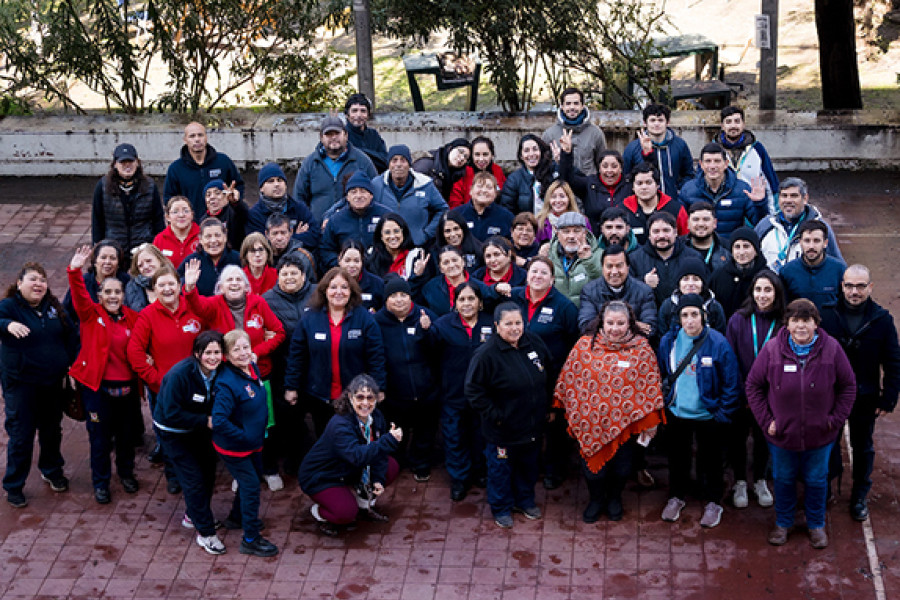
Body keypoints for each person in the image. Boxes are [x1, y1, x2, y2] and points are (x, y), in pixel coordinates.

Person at [746, 299, 856, 549]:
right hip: (782, 435)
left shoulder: (832, 349)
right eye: (795, 320)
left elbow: (848, 387)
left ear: (816, 323)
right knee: (783, 479)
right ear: (788, 323)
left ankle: (816, 524)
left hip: (820, 436)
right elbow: (753, 385)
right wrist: (767, 421)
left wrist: (835, 420)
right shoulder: (773, 349)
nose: (801, 326)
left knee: (817, 481)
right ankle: (783, 522)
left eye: (806, 320)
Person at [554, 301, 665, 522]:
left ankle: (614, 498)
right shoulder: (585, 345)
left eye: (621, 323)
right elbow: (569, 379)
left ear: (629, 323)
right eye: (610, 323)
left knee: (622, 469)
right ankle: (595, 500)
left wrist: (650, 420)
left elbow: (651, 385)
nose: (615, 328)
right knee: (594, 471)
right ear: (601, 322)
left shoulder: (642, 348)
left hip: (626, 424)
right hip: (590, 423)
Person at [821, 265, 900, 522]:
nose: (854, 291)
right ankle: (826, 489)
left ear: (870, 287)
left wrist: (888, 396)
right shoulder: (827, 315)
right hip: (830, 395)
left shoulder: (882, 320)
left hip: (865, 396)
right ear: (842, 286)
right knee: (828, 444)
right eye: (849, 286)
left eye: (860, 286)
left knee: (862, 446)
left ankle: (859, 494)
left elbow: (893, 360)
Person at [465, 302, 553, 528]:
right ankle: (501, 507)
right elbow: (473, 390)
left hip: (532, 425)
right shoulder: (486, 355)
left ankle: (525, 501)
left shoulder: (534, 342)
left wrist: (549, 407)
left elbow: (550, 372)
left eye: (518, 323)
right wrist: (497, 415)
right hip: (502, 430)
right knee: (500, 470)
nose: (514, 328)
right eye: (508, 324)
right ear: (496, 325)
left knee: (528, 466)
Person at [658, 294, 741, 529]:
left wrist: (722, 414)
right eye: (685, 315)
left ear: (703, 316)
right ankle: (677, 496)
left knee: (711, 462)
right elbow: (662, 372)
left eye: (694, 314)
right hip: (678, 413)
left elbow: (731, 382)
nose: (690, 320)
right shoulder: (669, 341)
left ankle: (714, 501)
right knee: (677, 460)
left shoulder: (718, 343)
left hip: (708, 415)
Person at [67, 246, 141, 504]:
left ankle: (126, 473)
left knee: (125, 437)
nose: (112, 296)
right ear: (99, 296)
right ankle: (101, 483)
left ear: (123, 295)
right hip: (98, 390)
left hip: (127, 389)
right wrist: (74, 270)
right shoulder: (90, 315)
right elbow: (78, 296)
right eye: (107, 292)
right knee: (99, 439)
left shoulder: (133, 319)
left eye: (117, 292)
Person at [0, 262, 78, 508]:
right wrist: (7, 325)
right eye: (33, 279)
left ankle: (52, 470)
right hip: (22, 385)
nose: (38, 284)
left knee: (51, 430)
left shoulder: (54, 308)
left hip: (52, 383)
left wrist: (72, 367)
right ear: (20, 283)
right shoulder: (9, 307)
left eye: (42, 280)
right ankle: (14, 485)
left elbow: (71, 338)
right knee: (21, 436)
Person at [283, 267, 386, 436]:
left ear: (351, 291)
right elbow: (297, 356)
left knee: (355, 441)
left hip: (356, 397)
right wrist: (291, 386)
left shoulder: (364, 318)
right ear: (325, 290)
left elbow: (376, 356)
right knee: (326, 439)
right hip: (319, 396)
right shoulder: (310, 318)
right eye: (333, 287)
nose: (339, 292)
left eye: (344, 287)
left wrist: (379, 387)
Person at [126, 266, 203, 494]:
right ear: (154, 290)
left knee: (197, 432)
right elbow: (135, 352)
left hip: (197, 387)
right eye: (161, 285)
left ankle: (198, 471)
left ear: (179, 285)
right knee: (170, 435)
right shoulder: (148, 315)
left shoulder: (195, 307)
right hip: (164, 390)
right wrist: (156, 380)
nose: (167, 289)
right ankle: (173, 475)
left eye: (171, 284)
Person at [298, 374, 402, 536]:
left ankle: (364, 506)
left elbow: (378, 453)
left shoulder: (376, 417)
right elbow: (356, 456)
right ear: (350, 397)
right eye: (360, 397)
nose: (365, 403)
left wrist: (378, 479)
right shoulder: (340, 424)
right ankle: (319, 513)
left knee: (390, 466)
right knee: (345, 513)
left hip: (348, 469)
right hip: (322, 475)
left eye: (370, 397)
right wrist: (388, 441)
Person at [510, 256, 580, 489]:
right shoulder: (514, 298)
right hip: (517, 375)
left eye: (543, 273)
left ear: (552, 278)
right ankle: (525, 467)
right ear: (526, 274)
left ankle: (554, 469)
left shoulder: (564, 306)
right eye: (533, 271)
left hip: (552, 377)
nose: (537, 276)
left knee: (553, 427)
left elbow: (574, 343)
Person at [154, 331, 226, 555]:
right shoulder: (180, 375)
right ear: (197, 354)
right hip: (174, 432)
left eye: (217, 352)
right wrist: (206, 420)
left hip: (199, 429)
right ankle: (206, 534)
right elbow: (171, 412)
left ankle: (193, 514)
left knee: (208, 473)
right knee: (193, 479)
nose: (213, 358)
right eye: (208, 353)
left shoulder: (220, 371)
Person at [212, 329, 278, 557]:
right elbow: (219, 421)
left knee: (249, 481)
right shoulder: (226, 384)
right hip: (236, 448)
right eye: (236, 349)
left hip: (254, 443)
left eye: (245, 347)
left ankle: (236, 518)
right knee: (250, 487)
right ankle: (250, 539)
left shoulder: (252, 367)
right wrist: (243, 436)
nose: (242, 353)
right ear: (227, 355)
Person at [725, 269, 785, 509]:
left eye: (768, 290)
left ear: (776, 293)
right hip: (742, 393)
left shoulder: (783, 322)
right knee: (738, 438)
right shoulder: (738, 320)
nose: (762, 295)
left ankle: (760, 480)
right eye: (758, 289)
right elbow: (731, 358)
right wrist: (745, 390)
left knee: (764, 438)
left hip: (771, 395)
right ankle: (740, 481)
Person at [431, 283, 494, 501]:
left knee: (480, 435)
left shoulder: (490, 323)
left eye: (471, 299)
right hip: (453, 393)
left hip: (483, 394)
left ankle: (479, 472)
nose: (466, 304)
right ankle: (459, 478)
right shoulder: (442, 326)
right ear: (455, 303)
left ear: (480, 302)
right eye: (462, 300)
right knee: (454, 437)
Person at [373, 276, 440, 481]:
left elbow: (438, 350)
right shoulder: (376, 322)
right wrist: (381, 387)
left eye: (403, 295)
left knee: (425, 432)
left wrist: (428, 331)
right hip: (395, 392)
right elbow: (375, 357)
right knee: (396, 431)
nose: (399, 300)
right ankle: (397, 462)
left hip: (426, 390)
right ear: (386, 300)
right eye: (393, 296)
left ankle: (421, 464)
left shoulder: (425, 315)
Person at [182, 262, 285, 392]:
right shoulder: (214, 304)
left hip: (258, 370)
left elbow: (279, 333)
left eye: (239, 279)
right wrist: (190, 287)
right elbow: (197, 306)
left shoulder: (259, 303)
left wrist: (256, 353)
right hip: (226, 372)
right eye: (229, 280)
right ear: (221, 287)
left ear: (246, 287)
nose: (234, 283)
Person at [262, 249, 317, 477]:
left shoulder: (317, 294)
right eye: (285, 274)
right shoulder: (267, 300)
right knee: (290, 421)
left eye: (294, 273)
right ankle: (295, 463)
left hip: (316, 370)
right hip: (283, 371)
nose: (289, 278)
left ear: (304, 275)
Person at [292, 114, 377, 221]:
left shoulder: (362, 161)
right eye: (328, 134)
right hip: (318, 230)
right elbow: (299, 198)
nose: (333, 137)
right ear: (321, 138)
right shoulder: (310, 163)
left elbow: (375, 193)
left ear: (346, 135)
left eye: (337, 133)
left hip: (353, 228)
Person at [679, 143, 768, 240]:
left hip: (730, 248)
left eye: (717, 161)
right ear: (701, 165)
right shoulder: (688, 190)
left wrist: (760, 204)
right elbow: (681, 225)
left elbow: (759, 223)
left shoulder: (742, 189)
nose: (712, 166)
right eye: (708, 161)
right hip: (698, 248)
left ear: (726, 164)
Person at [755, 177, 843, 273]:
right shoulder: (765, 225)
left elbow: (838, 267)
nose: (788, 200)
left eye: (793, 196)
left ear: (805, 198)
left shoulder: (821, 228)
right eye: (784, 196)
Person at [92, 143, 164, 254]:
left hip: (143, 248)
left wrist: (159, 246)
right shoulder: (103, 186)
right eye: (122, 162)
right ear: (115, 164)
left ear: (137, 163)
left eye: (130, 161)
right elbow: (97, 220)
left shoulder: (150, 186)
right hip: (114, 249)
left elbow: (158, 218)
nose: (127, 166)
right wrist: (97, 248)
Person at [371, 144, 448, 247]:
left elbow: (443, 210)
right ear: (388, 164)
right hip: (386, 248)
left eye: (403, 160)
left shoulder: (424, 184)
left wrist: (426, 233)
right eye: (394, 160)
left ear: (409, 164)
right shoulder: (377, 185)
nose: (398, 164)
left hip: (415, 246)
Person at [163, 121, 244, 218]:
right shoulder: (176, 169)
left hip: (223, 222)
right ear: (185, 140)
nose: (197, 139)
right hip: (191, 225)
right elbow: (169, 199)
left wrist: (234, 199)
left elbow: (238, 186)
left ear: (206, 137)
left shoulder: (223, 161)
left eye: (200, 135)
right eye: (192, 136)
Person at [578, 244, 657, 337]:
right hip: (600, 346)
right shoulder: (589, 291)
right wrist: (632, 325)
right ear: (602, 268)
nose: (614, 272)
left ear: (628, 267)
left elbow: (650, 328)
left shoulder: (644, 291)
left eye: (619, 266)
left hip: (633, 346)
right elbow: (585, 326)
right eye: (609, 266)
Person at [622, 103, 694, 202]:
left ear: (667, 122)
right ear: (645, 123)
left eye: (660, 120)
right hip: (643, 204)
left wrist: (679, 191)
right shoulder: (633, 148)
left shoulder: (680, 145)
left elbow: (689, 174)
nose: (656, 124)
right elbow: (626, 177)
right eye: (652, 120)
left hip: (672, 202)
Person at [715, 106, 780, 214]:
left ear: (743, 124)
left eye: (737, 121)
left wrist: (773, 215)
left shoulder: (757, 149)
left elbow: (771, 183)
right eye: (728, 122)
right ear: (722, 126)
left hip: (753, 208)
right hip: (724, 212)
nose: (733, 126)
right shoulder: (713, 150)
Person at [629, 212, 703, 306]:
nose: (661, 236)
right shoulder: (634, 259)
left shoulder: (693, 257)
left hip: (684, 315)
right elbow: (627, 291)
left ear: (675, 232)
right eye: (656, 231)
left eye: (666, 230)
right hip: (649, 315)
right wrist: (643, 282)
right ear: (649, 235)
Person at [320, 171, 390, 269]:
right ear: (347, 197)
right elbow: (326, 250)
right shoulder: (335, 220)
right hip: (346, 274)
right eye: (353, 192)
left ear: (371, 195)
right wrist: (341, 264)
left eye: (363, 191)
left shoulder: (386, 215)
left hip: (382, 272)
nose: (358, 196)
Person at [559, 139, 632, 232]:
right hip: (595, 239)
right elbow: (567, 179)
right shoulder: (589, 184)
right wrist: (566, 154)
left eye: (614, 166)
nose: (609, 170)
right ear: (599, 168)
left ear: (621, 168)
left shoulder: (630, 184)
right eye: (605, 166)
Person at [247, 163, 320, 251]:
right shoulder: (255, 215)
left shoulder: (299, 208)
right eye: (271, 181)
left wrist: (284, 239)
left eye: (280, 180)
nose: (276, 184)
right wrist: (295, 236)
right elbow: (260, 245)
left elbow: (315, 236)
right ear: (261, 188)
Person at [414, 246, 500, 317]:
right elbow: (416, 304)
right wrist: (417, 276)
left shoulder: (479, 286)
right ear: (440, 268)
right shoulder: (430, 288)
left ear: (463, 262)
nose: (451, 265)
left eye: (455, 260)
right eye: (446, 262)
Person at [779, 220, 846, 309]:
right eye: (807, 241)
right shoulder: (787, 272)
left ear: (825, 243)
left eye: (816, 241)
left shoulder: (839, 270)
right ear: (800, 242)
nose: (811, 246)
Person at [542, 87, 607, 176]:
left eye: (576, 103)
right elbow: (543, 167)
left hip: (587, 186)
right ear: (562, 106)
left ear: (582, 105)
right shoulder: (550, 134)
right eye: (568, 104)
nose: (572, 107)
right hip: (560, 187)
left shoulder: (596, 133)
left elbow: (602, 164)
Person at [63, 239, 130, 323]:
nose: (108, 262)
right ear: (95, 261)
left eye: (112, 258)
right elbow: (66, 312)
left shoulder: (127, 282)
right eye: (103, 257)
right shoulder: (83, 282)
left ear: (118, 263)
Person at [620, 162, 688, 245]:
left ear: (657, 185)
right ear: (633, 187)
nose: (644, 187)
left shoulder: (675, 209)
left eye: (648, 182)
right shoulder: (622, 210)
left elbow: (685, 239)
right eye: (639, 183)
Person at [656, 257, 728, 336]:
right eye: (685, 279)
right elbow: (661, 337)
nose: (690, 284)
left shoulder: (714, 307)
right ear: (679, 283)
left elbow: (720, 337)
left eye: (696, 279)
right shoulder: (668, 307)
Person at [545, 211, 603, 307]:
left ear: (585, 232)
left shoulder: (600, 255)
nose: (571, 236)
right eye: (566, 231)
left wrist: (589, 261)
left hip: (588, 315)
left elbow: (604, 286)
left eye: (576, 231)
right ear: (557, 234)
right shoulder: (548, 256)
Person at [709, 226, 768, 319]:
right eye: (737, 247)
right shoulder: (719, 276)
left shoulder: (767, 277)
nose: (741, 252)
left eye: (746, 246)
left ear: (756, 250)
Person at [177, 217, 241, 297]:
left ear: (225, 237)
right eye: (208, 236)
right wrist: (188, 287)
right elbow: (178, 291)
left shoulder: (238, 259)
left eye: (217, 235)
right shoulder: (190, 262)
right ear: (200, 239)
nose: (213, 240)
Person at [500, 134, 561, 215]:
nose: (531, 154)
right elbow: (507, 210)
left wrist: (562, 162)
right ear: (521, 156)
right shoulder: (514, 179)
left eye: (535, 149)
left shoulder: (553, 171)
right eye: (526, 150)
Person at [449, 172, 515, 242]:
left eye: (489, 187)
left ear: (495, 193)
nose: (483, 190)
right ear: (471, 190)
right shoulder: (456, 215)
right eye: (479, 186)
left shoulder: (506, 217)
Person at [448, 136, 507, 209]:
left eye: (485, 154)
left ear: (492, 155)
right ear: (471, 156)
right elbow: (455, 203)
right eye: (477, 154)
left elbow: (505, 197)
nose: (481, 159)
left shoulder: (497, 170)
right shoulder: (463, 173)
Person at [366, 213, 427, 279]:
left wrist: (417, 275)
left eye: (396, 231)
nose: (392, 236)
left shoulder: (416, 255)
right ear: (381, 236)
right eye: (387, 232)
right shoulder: (372, 255)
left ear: (403, 233)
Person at [412, 138, 471, 202]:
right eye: (460, 152)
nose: (462, 158)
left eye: (465, 157)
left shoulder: (457, 174)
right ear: (450, 148)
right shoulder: (426, 164)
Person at [344, 93, 388, 172]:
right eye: (354, 111)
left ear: (368, 115)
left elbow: (385, 161)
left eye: (363, 111)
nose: (359, 115)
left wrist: (359, 151)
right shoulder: (341, 135)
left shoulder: (374, 135)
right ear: (347, 114)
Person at [201, 179, 248, 251]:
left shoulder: (233, 211)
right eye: (208, 195)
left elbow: (243, 214)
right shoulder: (203, 220)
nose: (212, 197)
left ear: (226, 196)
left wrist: (236, 202)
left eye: (217, 193)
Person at [125, 243, 174, 312]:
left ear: (159, 259)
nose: (145, 267)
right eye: (140, 265)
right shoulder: (132, 287)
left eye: (148, 261)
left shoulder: (174, 280)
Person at [683, 201, 730, 272]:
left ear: (714, 223)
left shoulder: (728, 248)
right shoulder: (678, 247)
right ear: (688, 224)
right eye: (696, 219)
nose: (701, 224)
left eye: (706, 219)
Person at [153, 196, 200, 268]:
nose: (181, 215)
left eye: (186, 211)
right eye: (175, 212)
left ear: (192, 215)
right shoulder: (159, 240)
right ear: (167, 217)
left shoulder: (202, 236)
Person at [338, 240, 385, 312]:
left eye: (356, 261)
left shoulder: (377, 284)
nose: (352, 265)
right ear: (340, 260)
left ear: (362, 261)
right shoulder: (331, 283)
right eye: (347, 260)